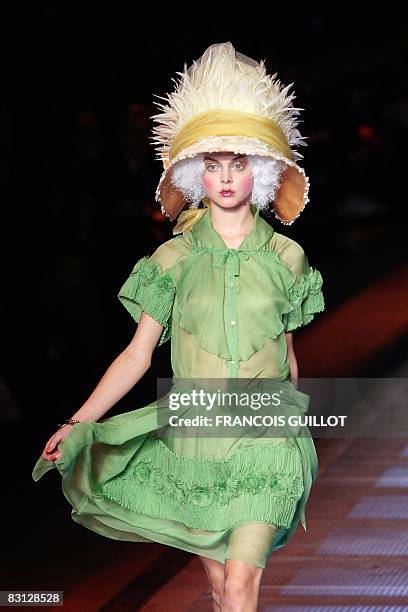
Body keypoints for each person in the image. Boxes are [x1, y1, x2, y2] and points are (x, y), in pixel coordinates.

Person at [32, 42, 325, 611]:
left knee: (241, 583)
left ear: (261, 170)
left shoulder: (289, 259)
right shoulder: (170, 262)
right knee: (219, 588)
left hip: (266, 440)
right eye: (211, 164)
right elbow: (137, 356)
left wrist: (299, 425)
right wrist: (79, 422)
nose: (224, 177)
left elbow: (287, 356)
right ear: (194, 173)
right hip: (195, 442)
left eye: (238, 163)